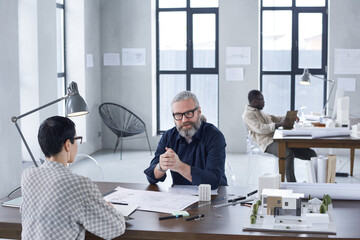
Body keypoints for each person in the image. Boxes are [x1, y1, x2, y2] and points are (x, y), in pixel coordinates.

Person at [21, 116, 125, 240]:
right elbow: (116, 227)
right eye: (76, 139)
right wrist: (108, 207)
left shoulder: (28, 175)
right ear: (68, 145)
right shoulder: (79, 184)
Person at [144, 91, 227, 189]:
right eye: (178, 115)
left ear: (199, 112)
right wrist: (161, 167)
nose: (184, 120)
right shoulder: (168, 136)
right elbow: (151, 178)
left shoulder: (215, 136)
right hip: (181, 198)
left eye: (189, 113)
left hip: (214, 197)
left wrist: (180, 167)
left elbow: (213, 181)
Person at [242, 90, 317, 182]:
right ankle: (292, 184)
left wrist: (289, 117)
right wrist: (279, 124)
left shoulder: (259, 111)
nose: (264, 102)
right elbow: (260, 128)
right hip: (267, 143)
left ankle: (317, 182)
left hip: (278, 139)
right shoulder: (248, 115)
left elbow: (274, 118)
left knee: (311, 154)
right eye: (262, 100)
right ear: (255, 101)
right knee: (288, 153)